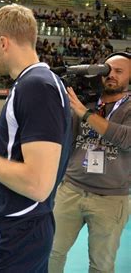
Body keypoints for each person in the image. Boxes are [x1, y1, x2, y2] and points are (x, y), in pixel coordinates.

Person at [0, 4, 72, 273]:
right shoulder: (38, 82)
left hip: (16, 231)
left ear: (3, 42)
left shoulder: (35, 86)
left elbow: (37, 184)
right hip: (25, 227)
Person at [49, 52, 130, 273]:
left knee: (101, 264)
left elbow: (126, 139)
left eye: (119, 71)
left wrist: (85, 114)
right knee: (52, 252)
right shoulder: (86, 103)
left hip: (111, 199)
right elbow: (65, 137)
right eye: (107, 70)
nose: (111, 75)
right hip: (71, 189)